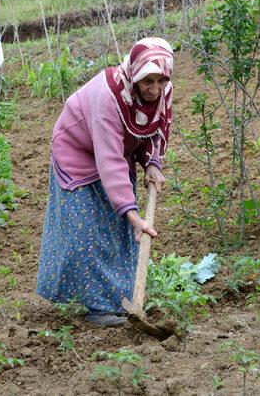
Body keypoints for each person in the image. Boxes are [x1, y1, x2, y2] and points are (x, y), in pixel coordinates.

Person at [36, 37, 174, 326]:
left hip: (115, 150)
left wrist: (153, 162)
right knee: (88, 232)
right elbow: (110, 161)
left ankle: (120, 299)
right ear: (135, 75)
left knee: (117, 230)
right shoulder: (108, 97)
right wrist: (132, 212)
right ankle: (96, 307)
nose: (155, 89)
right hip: (78, 151)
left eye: (161, 81)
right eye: (148, 81)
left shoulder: (162, 92)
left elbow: (158, 128)